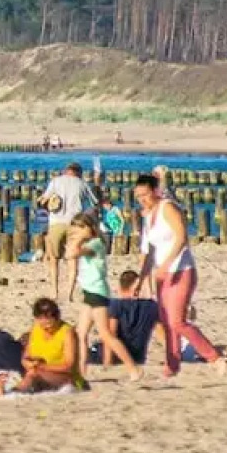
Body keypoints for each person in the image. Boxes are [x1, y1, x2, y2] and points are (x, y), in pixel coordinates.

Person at [134, 174, 220, 375]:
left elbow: (182, 237)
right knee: (166, 322)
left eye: (145, 194)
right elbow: (149, 251)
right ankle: (172, 364)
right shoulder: (148, 216)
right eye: (138, 196)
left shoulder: (168, 207)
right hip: (162, 275)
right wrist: (142, 278)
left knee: (177, 321)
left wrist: (167, 263)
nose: (141, 200)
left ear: (155, 191)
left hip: (181, 270)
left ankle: (214, 357)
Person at [68, 215, 138, 380]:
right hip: (88, 293)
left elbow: (73, 253)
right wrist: (76, 238)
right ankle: (81, 372)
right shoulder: (88, 243)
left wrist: (78, 239)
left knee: (106, 335)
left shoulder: (96, 244)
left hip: (98, 295)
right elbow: (70, 254)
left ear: (89, 228)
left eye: (79, 228)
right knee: (81, 334)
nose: (76, 232)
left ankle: (132, 368)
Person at [38, 163, 95, 303]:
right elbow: (94, 203)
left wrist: (43, 203)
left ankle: (54, 292)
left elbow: (44, 199)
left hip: (56, 222)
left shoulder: (56, 181)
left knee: (53, 259)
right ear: (79, 173)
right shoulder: (82, 184)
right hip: (75, 224)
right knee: (73, 259)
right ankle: (69, 294)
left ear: (66, 171)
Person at [0, 297, 77, 394]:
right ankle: (14, 390)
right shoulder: (36, 329)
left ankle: (15, 392)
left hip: (64, 376)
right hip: (37, 372)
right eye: (43, 325)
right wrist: (28, 363)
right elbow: (25, 357)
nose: (46, 328)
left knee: (34, 374)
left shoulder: (67, 332)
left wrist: (42, 367)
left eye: (50, 325)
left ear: (57, 319)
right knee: (3, 376)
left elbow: (68, 366)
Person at [106, 270, 158, 368]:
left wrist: (108, 363)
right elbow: (162, 334)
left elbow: (111, 335)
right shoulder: (151, 306)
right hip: (138, 357)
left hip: (117, 357)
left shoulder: (115, 305)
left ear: (119, 288)